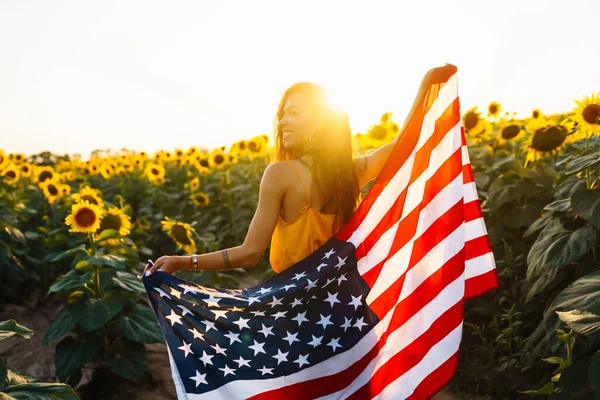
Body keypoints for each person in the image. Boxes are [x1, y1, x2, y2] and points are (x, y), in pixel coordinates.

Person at [139, 82, 400, 279]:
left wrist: (183, 262)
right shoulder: (353, 172)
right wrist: (431, 91)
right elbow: (406, 142)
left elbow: (251, 253)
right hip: (345, 304)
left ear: (321, 122)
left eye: (294, 113)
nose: (283, 122)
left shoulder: (281, 173)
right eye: (283, 114)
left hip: (299, 306)